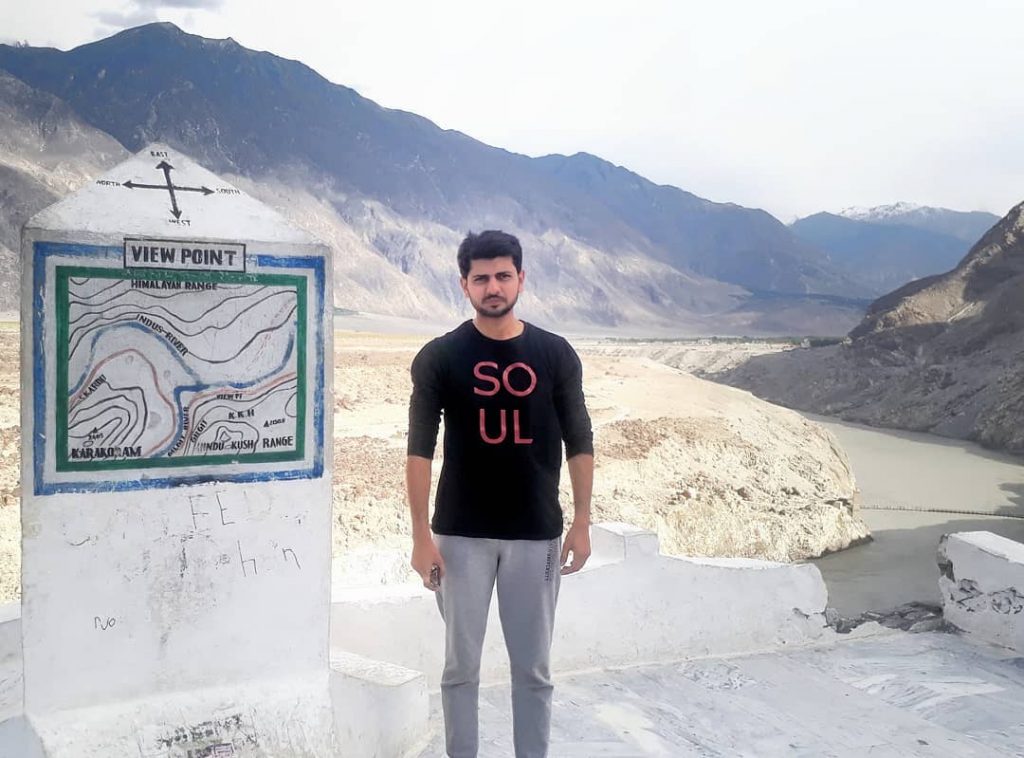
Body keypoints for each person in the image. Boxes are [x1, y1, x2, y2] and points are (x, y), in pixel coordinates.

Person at [406, 230, 594, 758]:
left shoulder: (555, 354)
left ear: (521, 279)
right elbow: (419, 450)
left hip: (536, 533)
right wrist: (422, 537)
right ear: (464, 284)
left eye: (503, 275)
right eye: (481, 277)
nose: (493, 287)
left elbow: (580, 437)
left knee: (534, 670)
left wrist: (581, 520)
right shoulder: (440, 356)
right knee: (459, 668)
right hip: (459, 534)